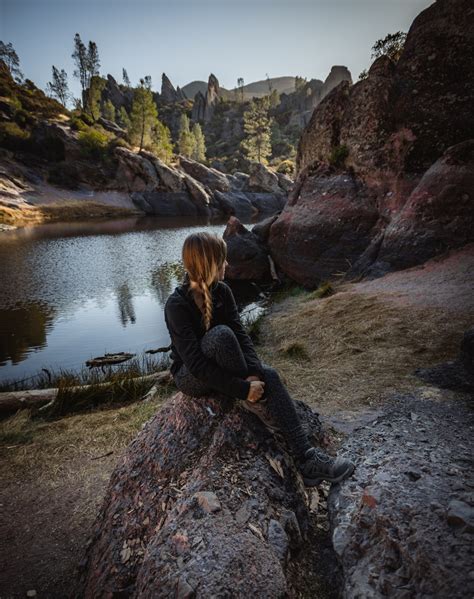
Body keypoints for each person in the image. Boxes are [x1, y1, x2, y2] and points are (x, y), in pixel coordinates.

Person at [164, 232, 355, 487]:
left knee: (270, 374)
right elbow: (197, 365)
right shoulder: (176, 305)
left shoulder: (223, 291)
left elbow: (242, 336)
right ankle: (254, 400)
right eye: (223, 260)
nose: (227, 265)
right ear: (209, 264)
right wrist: (243, 389)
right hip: (190, 376)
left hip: (226, 366)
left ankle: (307, 458)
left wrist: (254, 374)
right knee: (221, 336)